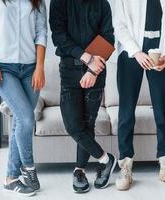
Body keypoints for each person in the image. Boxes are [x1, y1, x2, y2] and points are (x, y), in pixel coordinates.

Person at [0, 0, 47, 196]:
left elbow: (41, 32)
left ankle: (11, 178)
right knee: (26, 117)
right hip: (2, 67)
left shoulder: (37, 1)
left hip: (30, 68)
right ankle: (29, 167)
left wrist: (40, 67)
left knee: (20, 120)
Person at [49, 0, 116, 193]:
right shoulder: (59, 2)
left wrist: (92, 72)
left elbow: (108, 38)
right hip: (69, 70)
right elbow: (59, 36)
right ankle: (105, 159)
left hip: (96, 71)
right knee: (73, 126)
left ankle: (80, 170)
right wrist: (86, 58)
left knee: (88, 125)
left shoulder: (102, 3)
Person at [114, 0, 165, 190]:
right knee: (126, 113)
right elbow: (119, 24)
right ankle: (125, 167)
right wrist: (136, 52)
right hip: (130, 53)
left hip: (159, 53)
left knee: (162, 111)